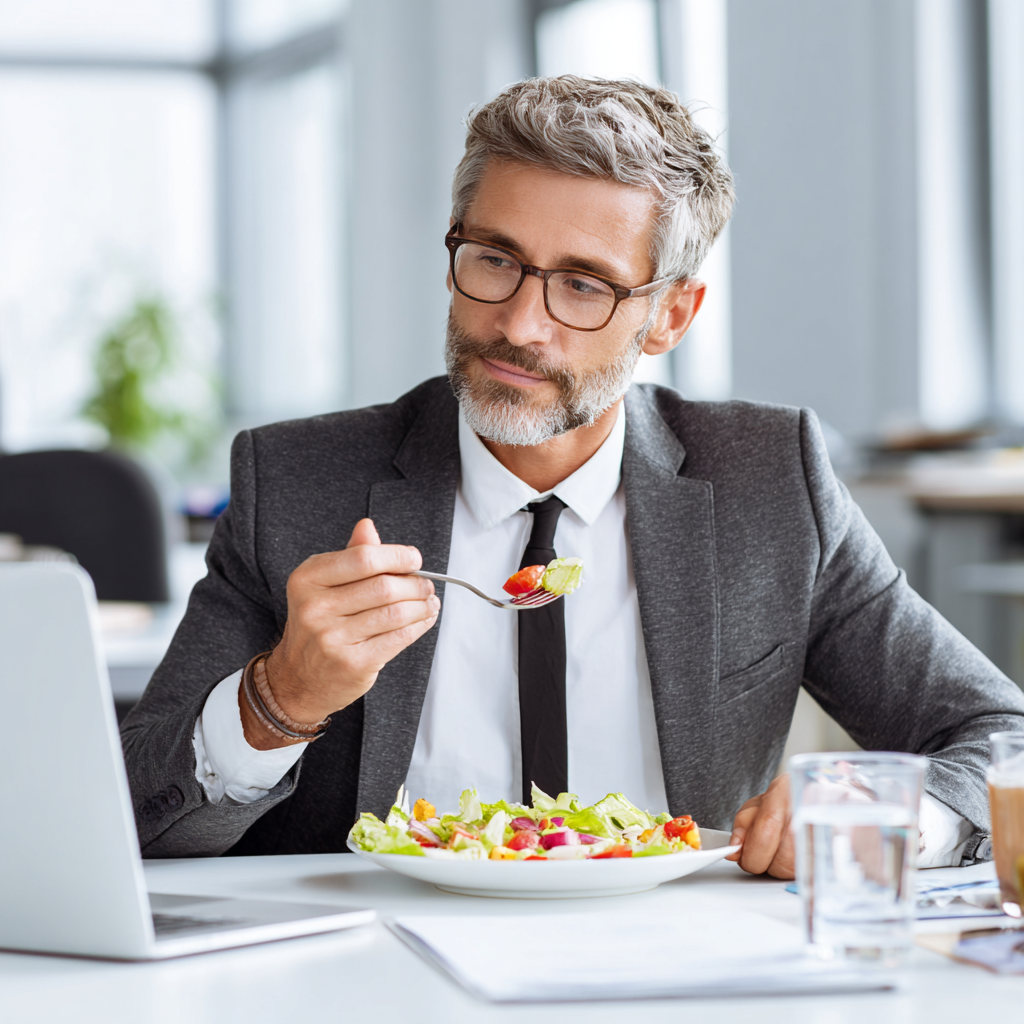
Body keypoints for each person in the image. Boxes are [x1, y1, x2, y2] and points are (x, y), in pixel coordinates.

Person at [123, 76, 1024, 877]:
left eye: (584, 285)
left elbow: (1000, 739)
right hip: (370, 961)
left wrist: (887, 813)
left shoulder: (770, 481)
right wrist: (278, 700)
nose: (519, 324)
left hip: (681, 962)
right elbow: (138, 821)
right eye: (495, 259)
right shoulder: (296, 480)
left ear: (670, 315)